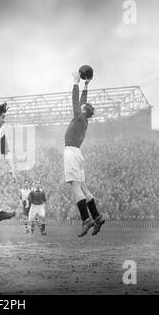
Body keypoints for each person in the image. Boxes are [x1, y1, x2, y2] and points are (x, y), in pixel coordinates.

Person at [64, 72, 105, 237]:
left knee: (75, 187)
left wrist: (75, 83)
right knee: (83, 186)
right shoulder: (83, 119)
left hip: (71, 153)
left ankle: (86, 219)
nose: (80, 106)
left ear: (83, 110)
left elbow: (75, 101)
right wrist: (86, 85)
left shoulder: (80, 117)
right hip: (77, 154)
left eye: (82, 106)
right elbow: (81, 102)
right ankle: (97, 216)